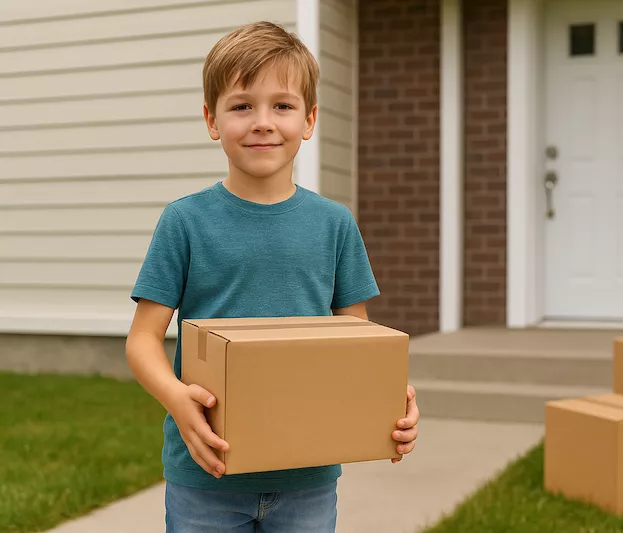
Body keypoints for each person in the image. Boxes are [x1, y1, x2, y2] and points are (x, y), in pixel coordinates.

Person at [125, 20, 420, 532]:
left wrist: (391, 403)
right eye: (242, 106)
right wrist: (176, 398)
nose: (262, 122)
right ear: (212, 120)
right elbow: (142, 341)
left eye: (281, 106)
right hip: (207, 475)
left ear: (308, 120)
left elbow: (358, 345)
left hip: (308, 478)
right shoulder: (185, 222)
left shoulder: (334, 224)